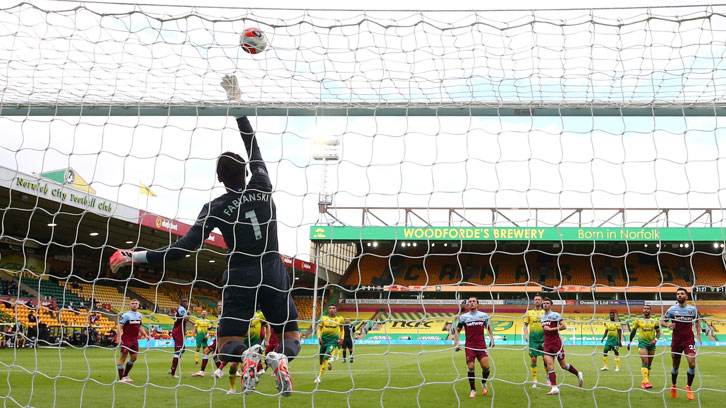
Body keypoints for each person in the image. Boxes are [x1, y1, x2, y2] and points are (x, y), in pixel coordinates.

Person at [109, 75, 299, 396]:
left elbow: (182, 250)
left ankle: (246, 356)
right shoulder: (263, 185)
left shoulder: (214, 207)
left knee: (226, 345)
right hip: (274, 269)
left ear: (219, 178)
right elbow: (253, 145)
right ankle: (280, 356)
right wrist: (236, 102)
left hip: (240, 273)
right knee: (290, 332)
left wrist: (135, 256)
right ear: (248, 172)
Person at [661, 288, 700, 400]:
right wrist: (667, 325)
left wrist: (698, 334)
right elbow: (662, 321)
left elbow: (697, 321)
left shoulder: (692, 310)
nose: (679, 295)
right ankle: (674, 385)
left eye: (682, 294)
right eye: (678, 294)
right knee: (675, 365)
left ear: (686, 296)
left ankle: (688, 387)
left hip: (689, 340)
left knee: (692, 364)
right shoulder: (672, 309)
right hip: (676, 341)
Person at [453, 297, 495, 398]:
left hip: (481, 346)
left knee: (486, 367)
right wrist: (456, 343)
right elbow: (457, 330)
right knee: (471, 366)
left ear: (477, 304)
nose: (472, 303)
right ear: (468, 305)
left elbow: (489, 328)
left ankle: (484, 383)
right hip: (470, 346)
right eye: (470, 302)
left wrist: (492, 340)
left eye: (474, 301)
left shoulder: (483, 316)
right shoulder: (464, 317)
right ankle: (473, 389)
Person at [541, 297, 583, 395]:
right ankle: (554, 387)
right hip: (547, 344)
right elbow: (545, 331)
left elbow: (564, 326)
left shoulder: (555, 315)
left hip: (556, 343)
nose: (545, 305)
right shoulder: (542, 317)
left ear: (551, 305)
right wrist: (544, 341)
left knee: (563, 365)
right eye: (544, 303)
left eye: (547, 303)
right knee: (549, 365)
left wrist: (551, 329)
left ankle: (578, 373)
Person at [627, 304, 660, 389]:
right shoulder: (638, 320)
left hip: (652, 344)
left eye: (648, 309)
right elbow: (633, 332)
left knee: (649, 364)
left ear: (650, 310)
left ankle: (644, 382)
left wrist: (655, 340)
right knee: (645, 361)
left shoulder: (655, 320)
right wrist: (629, 342)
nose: (646, 310)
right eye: (644, 308)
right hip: (642, 343)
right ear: (643, 310)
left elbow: (658, 332)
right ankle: (646, 382)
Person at [117, 299, 147, 383]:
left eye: (136, 303)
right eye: (132, 303)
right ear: (130, 305)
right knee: (123, 358)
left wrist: (146, 335)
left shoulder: (140, 315)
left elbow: (140, 326)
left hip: (134, 340)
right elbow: (119, 326)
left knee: (134, 358)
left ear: (138, 305)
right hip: (126, 340)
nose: (134, 305)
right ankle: (121, 378)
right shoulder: (126, 315)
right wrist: (118, 339)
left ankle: (125, 375)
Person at [194, 301, 225, 379]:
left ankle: (202, 371)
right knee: (214, 355)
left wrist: (213, 327)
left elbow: (223, 326)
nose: (219, 307)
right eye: (218, 305)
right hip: (219, 337)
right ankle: (220, 372)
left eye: (221, 305)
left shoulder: (224, 315)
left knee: (206, 351)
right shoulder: (219, 315)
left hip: (220, 337)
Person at [315, 305, 344, 384]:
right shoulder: (323, 318)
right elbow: (320, 328)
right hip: (324, 340)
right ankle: (329, 363)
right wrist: (319, 338)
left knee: (326, 356)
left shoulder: (340, 319)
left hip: (333, 341)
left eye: (333, 308)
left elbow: (342, 329)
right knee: (321, 360)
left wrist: (342, 338)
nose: (331, 310)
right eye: (330, 308)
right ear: (328, 310)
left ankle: (319, 377)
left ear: (336, 310)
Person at [523, 294, 547, 388]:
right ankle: (535, 381)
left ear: (541, 301)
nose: (537, 301)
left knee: (546, 359)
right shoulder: (529, 312)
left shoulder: (545, 313)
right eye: (535, 299)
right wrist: (526, 335)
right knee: (533, 359)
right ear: (534, 301)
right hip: (533, 340)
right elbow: (525, 325)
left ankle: (547, 376)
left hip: (544, 339)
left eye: (539, 299)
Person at [169, 297, 189, 378]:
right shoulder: (182, 309)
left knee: (183, 349)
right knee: (177, 352)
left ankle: (172, 368)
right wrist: (189, 314)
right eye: (183, 301)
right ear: (180, 301)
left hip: (179, 331)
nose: (185, 302)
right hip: (178, 332)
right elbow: (186, 319)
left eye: (186, 301)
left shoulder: (180, 308)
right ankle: (172, 373)